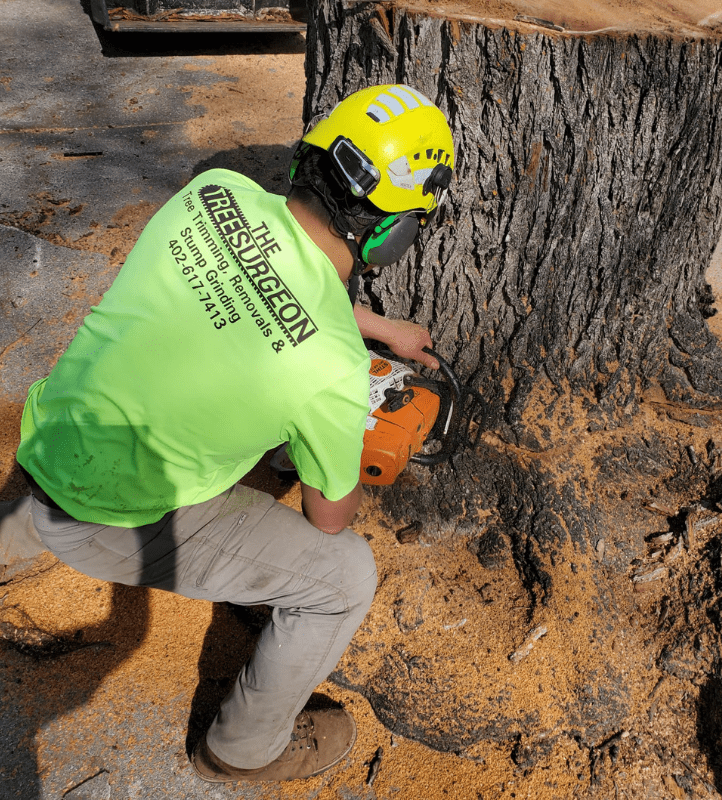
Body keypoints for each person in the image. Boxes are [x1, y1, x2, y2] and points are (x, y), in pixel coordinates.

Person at [15, 83, 455, 784]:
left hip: (47, 439)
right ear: (396, 234)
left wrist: (375, 328)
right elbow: (331, 517)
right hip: (104, 519)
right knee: (343, 580)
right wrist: (346, 415)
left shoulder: (213, 194)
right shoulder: (330, 371)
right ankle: (241, 751)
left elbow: (264, 279)